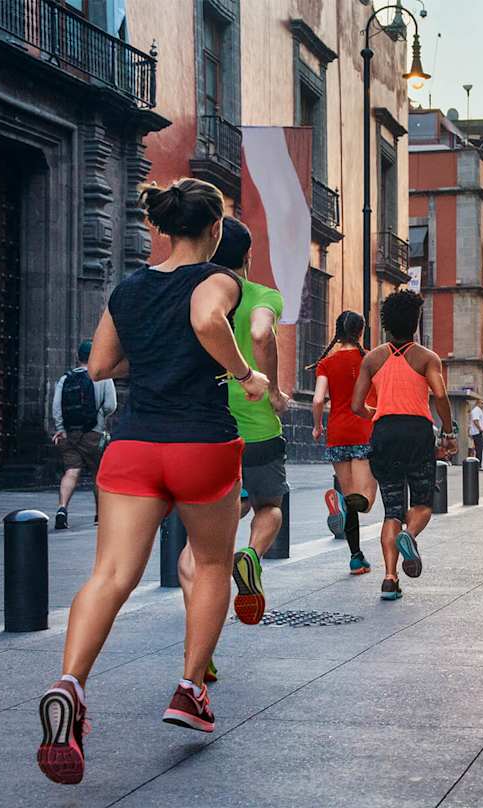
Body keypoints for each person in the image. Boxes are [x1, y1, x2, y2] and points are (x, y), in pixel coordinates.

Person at [35, 178, 268, 785]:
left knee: (110, 576)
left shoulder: (129, 287)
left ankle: (70, 686)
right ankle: (190, 689)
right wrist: (244, 374)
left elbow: (100, 366)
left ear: (163, 228)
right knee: (213, 565)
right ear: (215, 230)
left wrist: (158, 354)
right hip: (200, 445)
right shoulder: (221, 279)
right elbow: (204, 317)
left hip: (133, 447)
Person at [177, 217, 288, 632]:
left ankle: (198, 645)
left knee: (197, 545)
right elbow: (261, 334)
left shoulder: (193, 295)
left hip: (203, 425)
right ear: (248, 256)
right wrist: (273, 390)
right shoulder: (261, 294)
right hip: (257, 426)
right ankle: (252, 557)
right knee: (270, 505)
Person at [351, 290, 455, 601]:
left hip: (384, 433)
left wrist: (378, 413)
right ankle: (409, 536)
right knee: (423, 503)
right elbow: (439, 395)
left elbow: (356, 405)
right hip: (417, 434)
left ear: (385, 324)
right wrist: (448, 428)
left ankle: (389, 578)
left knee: (392, 510)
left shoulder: (372, 358)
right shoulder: (426, 357)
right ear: (415, 322)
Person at [312, 310, 378, 576]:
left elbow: (318, 400)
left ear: (338, 332)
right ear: (361, 332)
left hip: (337, 433)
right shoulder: (371, 359)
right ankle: (343, 505)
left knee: (350, 497)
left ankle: (356, 557)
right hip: (364, 430)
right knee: (365, 500)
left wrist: (318, 427)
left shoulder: (326, 363)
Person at [51, 339, 116, 529]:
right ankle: (99, 515)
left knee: (71, 471)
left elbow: (57, 407)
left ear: (78, 357)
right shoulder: (103, 377)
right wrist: (99, 417)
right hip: (93, 433)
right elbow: (111, 405)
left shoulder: (65, 379)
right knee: (98, 474)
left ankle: (62, 508)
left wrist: (61, 429)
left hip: (70, 434)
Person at [468, 397, 483, 461]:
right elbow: (475, 421)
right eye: (481, 403)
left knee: (480, 447)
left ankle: (479, 463)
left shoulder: (478, 410)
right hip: (477, 432)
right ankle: (479, 463)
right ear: (477, 403)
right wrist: (481, 429)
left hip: (478, 432)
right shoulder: (476, 410)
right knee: (479, 448)